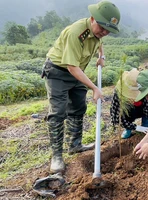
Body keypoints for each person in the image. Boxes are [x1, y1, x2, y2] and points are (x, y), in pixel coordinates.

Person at [42, 1, 121, 173]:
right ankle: (56, 156)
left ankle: (75, 144)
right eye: (102, 28)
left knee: (78, 107)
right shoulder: (76, 33)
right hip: (58, 72)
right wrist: (94, 88)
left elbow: (98, 41)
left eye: (108, 30)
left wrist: (102, 56)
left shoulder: (97, 33)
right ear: (93, 19)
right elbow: (71, 67)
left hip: (78, 71)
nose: (104, 33)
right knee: (58, 112)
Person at [110, 68, 148, 139]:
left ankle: (146, 123)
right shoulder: (119, 94)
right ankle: (128, 128)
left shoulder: (143, 88)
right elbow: (116, 118)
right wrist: (136, 127)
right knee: (125, 111)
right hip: (129, 113)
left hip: (140, 109)